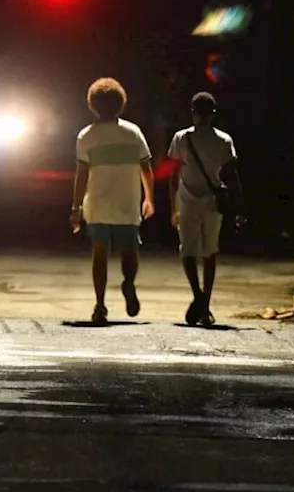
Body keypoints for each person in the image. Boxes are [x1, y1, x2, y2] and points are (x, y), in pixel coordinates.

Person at [69, 78, 156, 323]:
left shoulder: (86, 135)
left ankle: (100, 305)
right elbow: (146, 169)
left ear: (93, 105)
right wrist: (149, 198)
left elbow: (82, 175)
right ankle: (128, 282)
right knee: (130, 252)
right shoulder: (133, 132)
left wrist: (75, 207)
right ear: (120, 104)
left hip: (97, 204)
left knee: (100, 256)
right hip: (127, 203)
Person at [166, 92, 246, 326]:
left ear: (192, 112)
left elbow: (173, 176)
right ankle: (204, 304)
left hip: (191, 200)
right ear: (212, 113)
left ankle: (200, 298)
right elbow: (233, 177)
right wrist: (241, 209)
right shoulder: (223, 140)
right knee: (209, 252)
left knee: (189, 251)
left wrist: (174, 207)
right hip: (210, 202)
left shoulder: (182, 138)